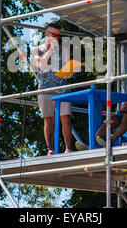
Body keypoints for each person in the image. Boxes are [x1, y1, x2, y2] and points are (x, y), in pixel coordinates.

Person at [31, 23, 73, 155]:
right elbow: (40, 66)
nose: (56, 38)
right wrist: (50, 51)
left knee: (65, 118)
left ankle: (68, 148)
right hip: (45, 90)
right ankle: (50, 150)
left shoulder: (63, 49)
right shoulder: (36, 49)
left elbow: (68, 70)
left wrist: (71, 71)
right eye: (54, 35)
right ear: (46, 34)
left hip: (62, 88)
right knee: (48, 120)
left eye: (58, 36)